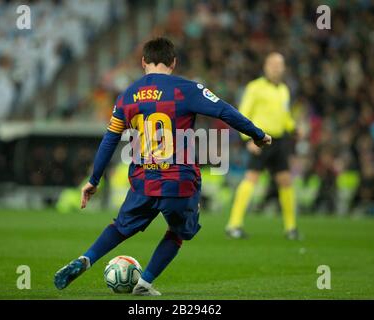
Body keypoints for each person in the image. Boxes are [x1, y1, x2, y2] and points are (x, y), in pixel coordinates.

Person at [54, 37, 272, 296]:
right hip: (179, 179)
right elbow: (224, 111)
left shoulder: (128, 96)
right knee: (178, 231)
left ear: (144, 61)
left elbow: (110, 138)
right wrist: (257, 134)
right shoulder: (185, 89)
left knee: (121, 227)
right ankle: (144, 283)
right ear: (173, 62)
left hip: (143, 178)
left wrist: (94, 179)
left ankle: (86, 259)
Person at [226, 53, 299, 240]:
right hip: (261, 138)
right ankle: (234, 225)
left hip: (280, 140)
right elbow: (242, 114)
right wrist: (248, 139)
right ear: (265, 66)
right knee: (251, 177)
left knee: (285, 180)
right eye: (273, 64)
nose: (276, 68)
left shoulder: (283, 89)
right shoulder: (255, 87)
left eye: (279, 64)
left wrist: (294, 127)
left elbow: (284, 116)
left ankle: (291, 228)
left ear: (283, 68)